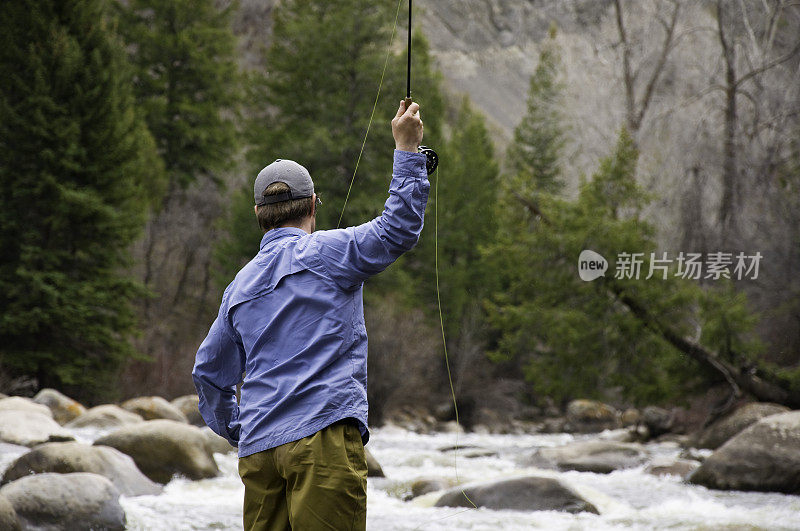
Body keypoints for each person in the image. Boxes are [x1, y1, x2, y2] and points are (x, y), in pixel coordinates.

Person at [192, 100, 428, 531]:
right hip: (321, 439)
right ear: (313, 205)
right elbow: (398, 230)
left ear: (260, 216)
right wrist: (407, 151)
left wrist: (240, 430)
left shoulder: (238, 288)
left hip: (260, 454)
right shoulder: (329, 253)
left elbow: (209, 373)